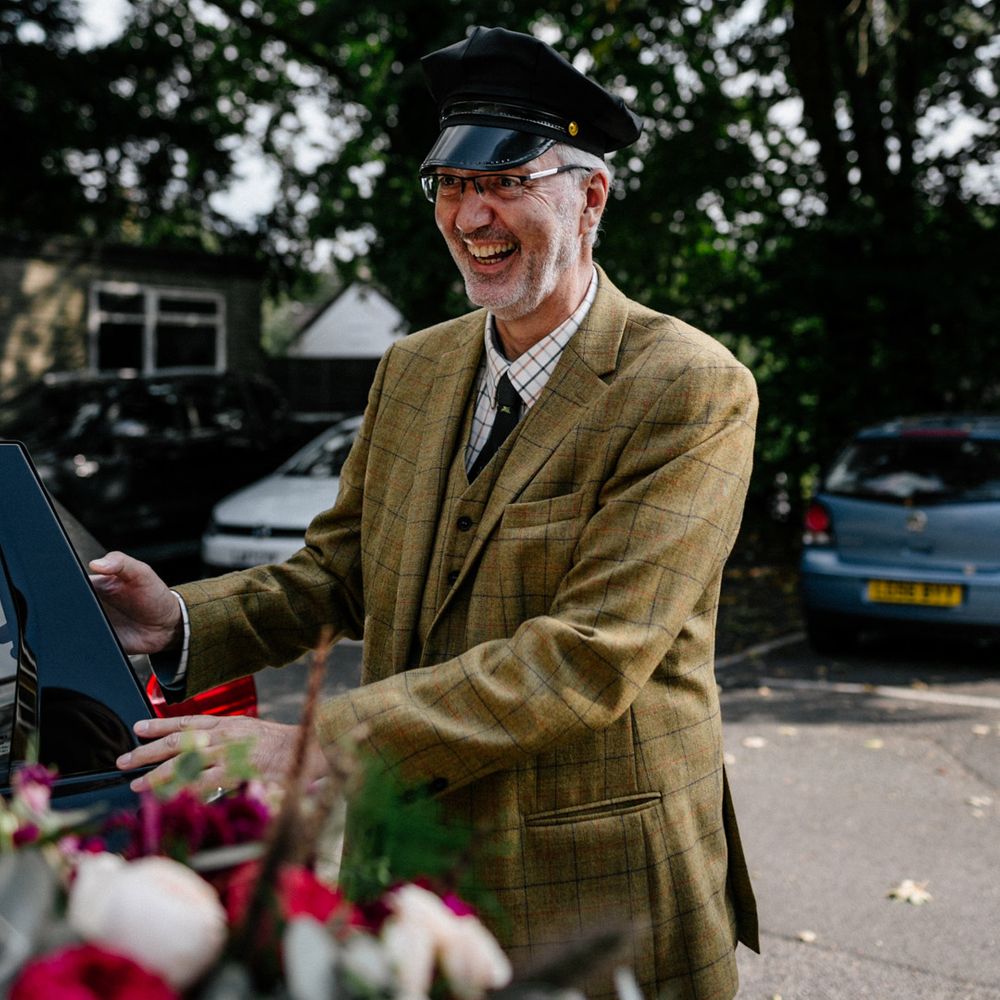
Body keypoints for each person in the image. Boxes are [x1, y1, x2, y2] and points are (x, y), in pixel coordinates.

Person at [91, 25, 759, 998]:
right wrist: (180, 617)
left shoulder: (689, 387)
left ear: (591, 196)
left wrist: (321, 741)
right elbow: (338, 573)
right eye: (450, 185)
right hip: (403, 862)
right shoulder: (413, 367)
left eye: (507, 181)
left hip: (596, 884)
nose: (471, 214)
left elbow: (588, 655)